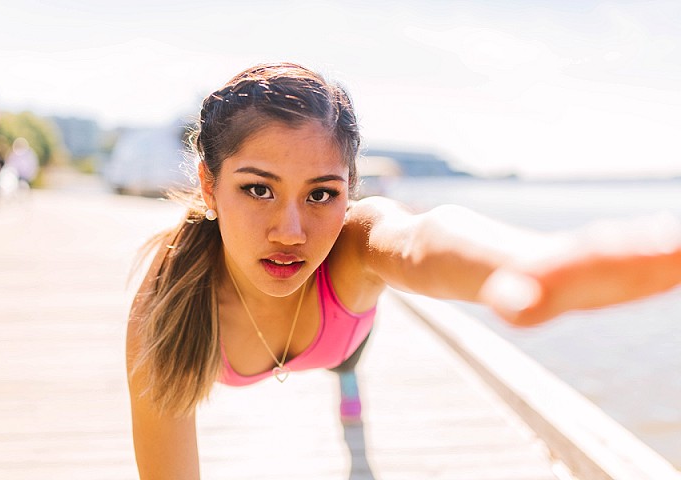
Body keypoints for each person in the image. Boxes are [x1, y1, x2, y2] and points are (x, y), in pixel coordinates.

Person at [126, 62, 681, 479]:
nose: (291, 232)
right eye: (257, 189)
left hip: (344, 337)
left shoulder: (350, 247)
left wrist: (526, 261)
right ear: (208, 185)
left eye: (322, 193)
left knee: (348, 364)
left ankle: (346, 380)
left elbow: (419, 238)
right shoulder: (165, 306)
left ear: (350, 190)